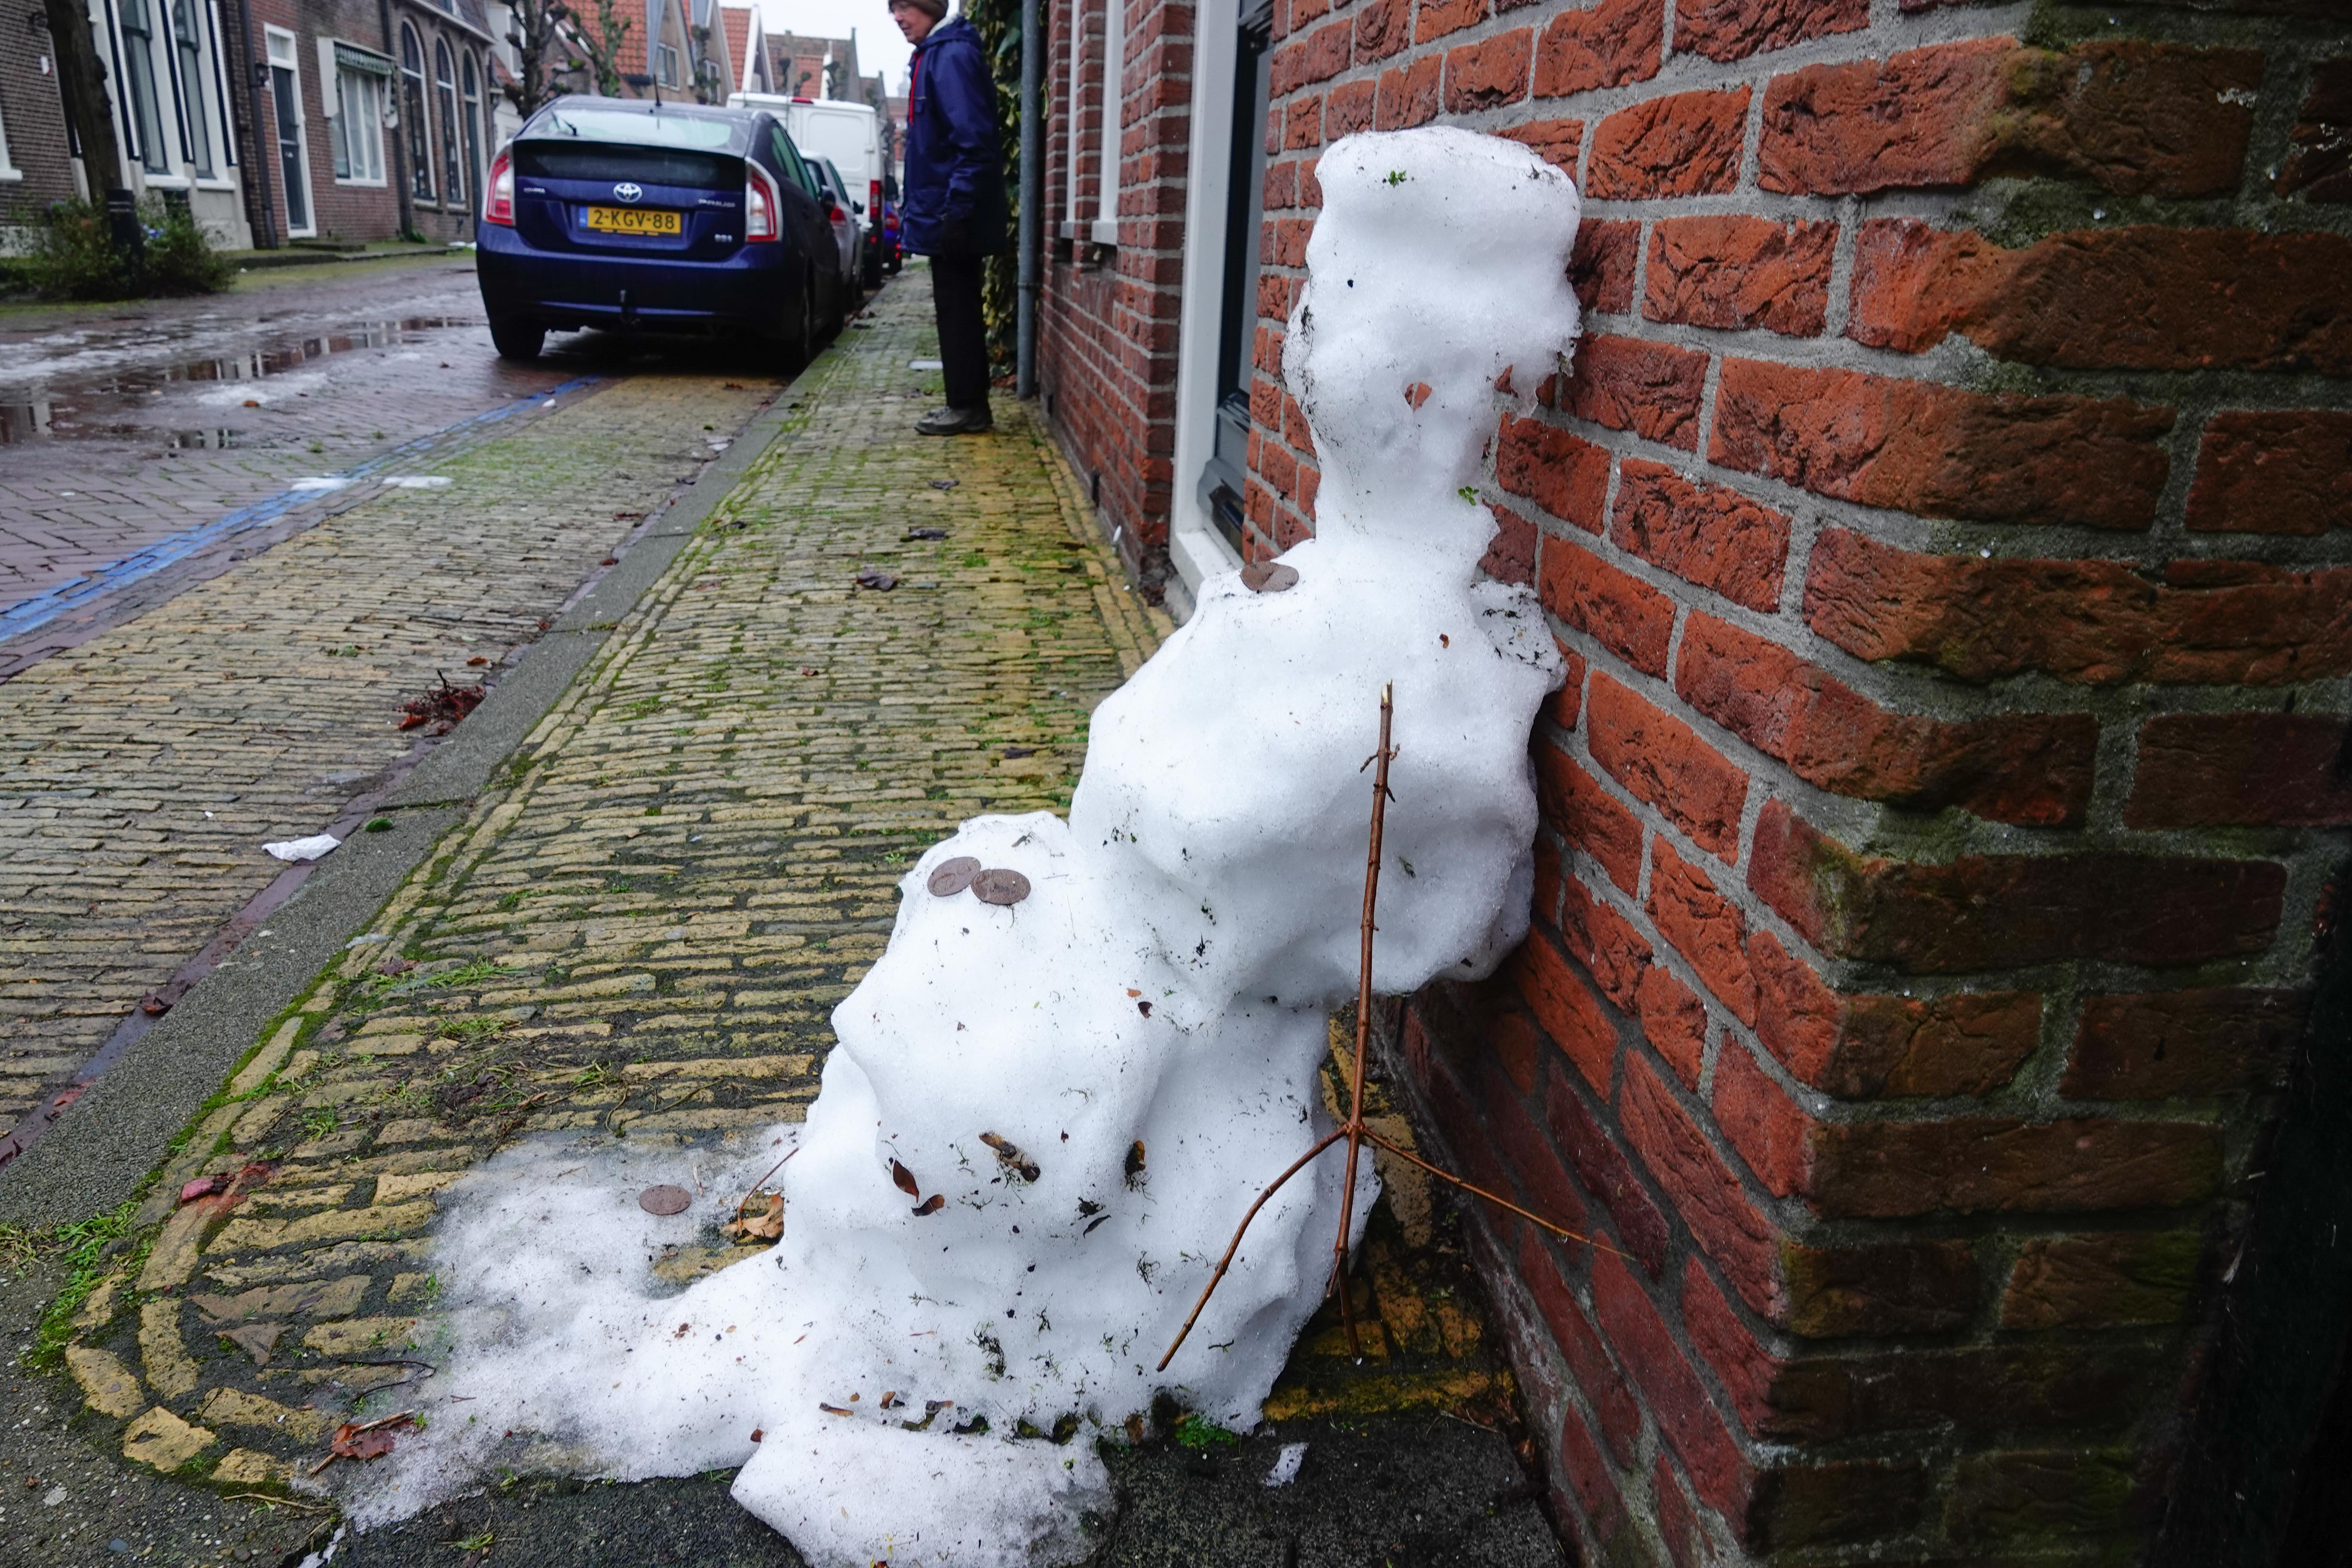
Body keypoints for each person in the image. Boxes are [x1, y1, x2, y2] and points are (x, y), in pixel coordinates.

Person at [890, 0, 1008, 436]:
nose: (897, 17)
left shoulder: (951, 57)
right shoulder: (937, 54)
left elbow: (972, 140)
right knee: (954, 307)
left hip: (953, 214)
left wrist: (956, 214)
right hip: (948, 211)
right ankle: (964, 403)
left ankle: (969, 407)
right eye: (892, 8)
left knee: (958, 310)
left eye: (904, 6)